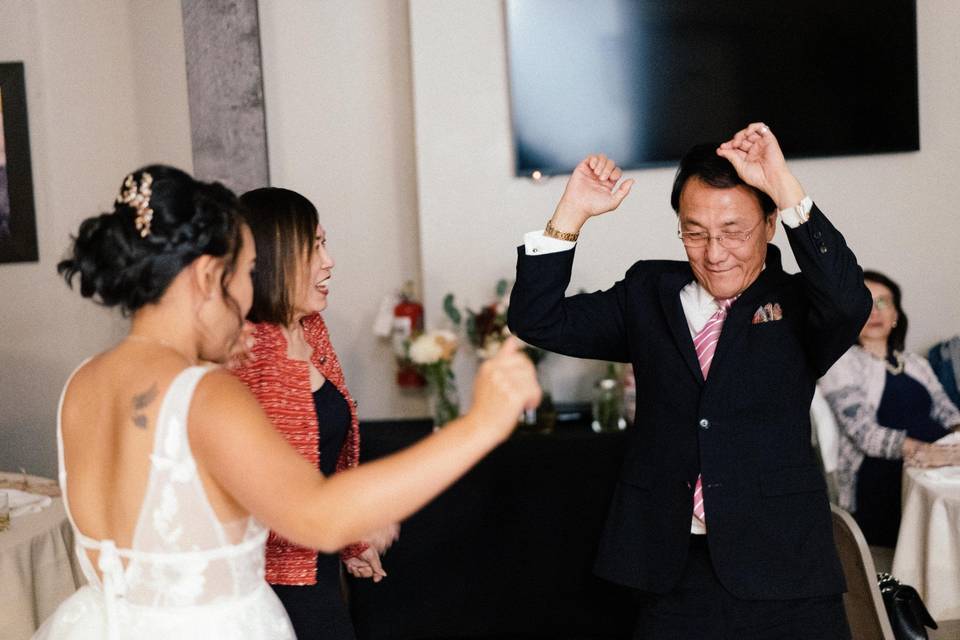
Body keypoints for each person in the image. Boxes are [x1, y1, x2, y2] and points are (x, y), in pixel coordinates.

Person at [38, 165, 540, 639]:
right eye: (248, 271)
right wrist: (481, 425)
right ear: (209, 277)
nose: (250, 293)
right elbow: (319, 516)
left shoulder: (83, 383)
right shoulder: (205, 394)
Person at [508, 123, 872, 639]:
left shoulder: (800, 304)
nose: (715, 252)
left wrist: (781, 182)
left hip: (784, 567)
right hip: (670, 566)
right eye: (695, 233)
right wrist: (571, 215)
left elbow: (850, 300)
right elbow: (536, 318)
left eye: (733, 232)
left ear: (770, 225)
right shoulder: (647, 292)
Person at [231, 187, 395, 640]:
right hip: (267, 581)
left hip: (316, 566)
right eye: (315, 247)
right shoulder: (245, 355)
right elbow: (257, 494)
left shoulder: (310, 329)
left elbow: (323, 460)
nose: (330, 262)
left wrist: (349, 542)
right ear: (273, 258)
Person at [819, 270, 960, 547]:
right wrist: (925, 452)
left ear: (896, 315)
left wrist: (955, 443)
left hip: (937, 459)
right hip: (881, 477)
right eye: (866, 303)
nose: (875, 311)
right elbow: (865, 434)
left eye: (884, 302)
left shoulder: (914, 363)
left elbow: (947, 412)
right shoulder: (841, 363)